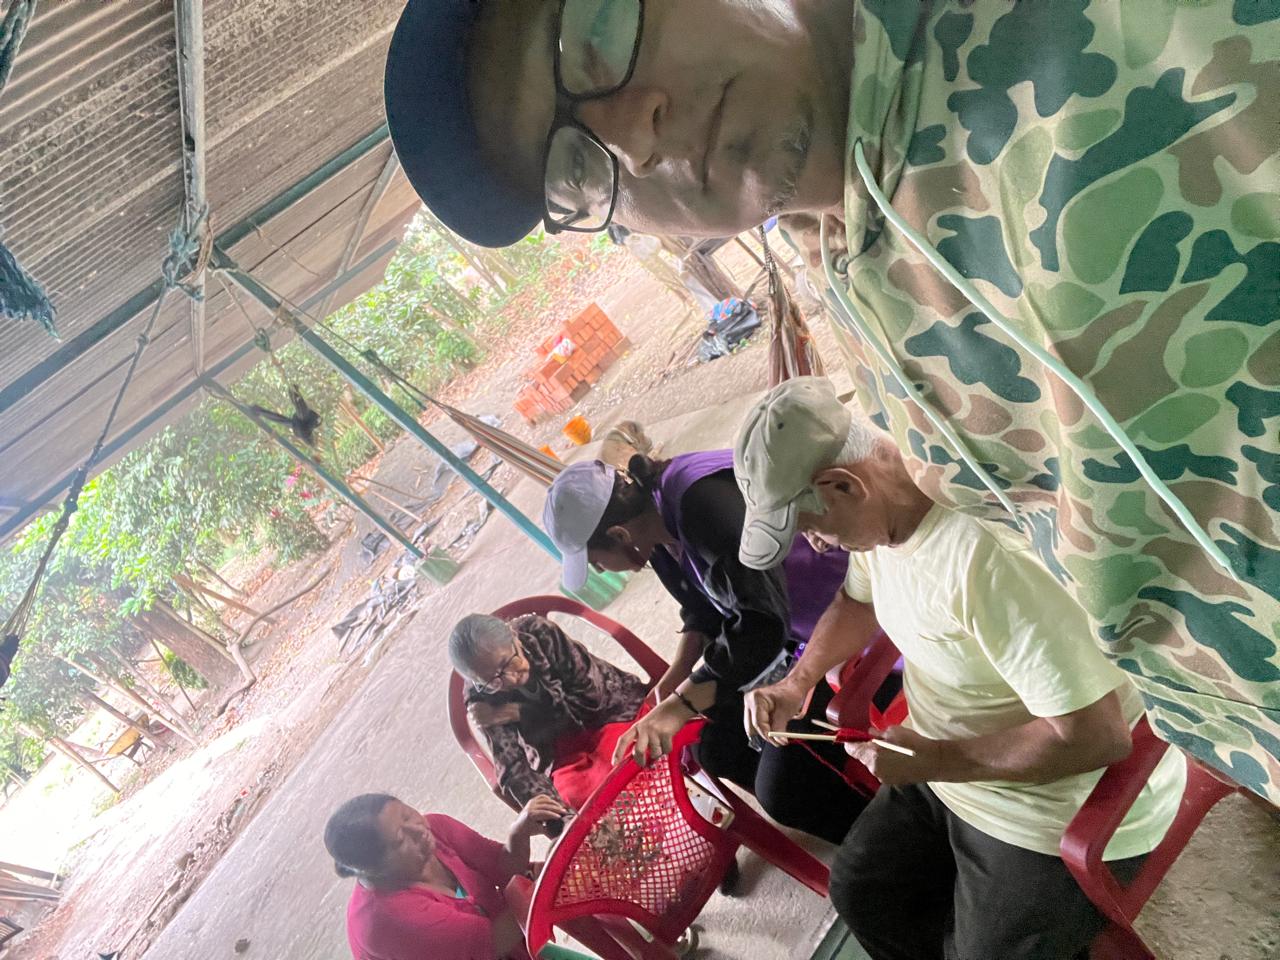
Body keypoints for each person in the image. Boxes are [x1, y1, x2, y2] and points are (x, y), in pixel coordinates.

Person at [382, 0, 1280, 802]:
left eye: (597, 30)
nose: (636, 138)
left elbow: (762, 618)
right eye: (576, 168)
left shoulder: (1055, 33)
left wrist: (718, 696)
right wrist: (758, 682)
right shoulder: (841, 267)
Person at [733, 377, 1185, 960]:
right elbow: (856, 602)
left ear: (842, 485)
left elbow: (1098, 736)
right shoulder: (884, 522)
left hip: (1053, 801)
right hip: (950, 770)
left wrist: (940, 760)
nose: (818, 545)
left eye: (812, 527)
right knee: (862, 892)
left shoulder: (986, 558)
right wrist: (798, 682)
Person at [542, 450, 867, 846]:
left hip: (849, 628)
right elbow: (702, 608)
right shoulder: (655, 526)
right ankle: (862, 811)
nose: (598, 570)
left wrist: (680, 704)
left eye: (595, 561)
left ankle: (898, 834)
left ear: (619, 535)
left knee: (783, 790)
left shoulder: (702, 507)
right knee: (715, 745)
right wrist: (676, 678)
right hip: (795, 636)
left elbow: (761, 625)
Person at [324, 792, 566, 960]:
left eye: (407, 814)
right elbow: (494, 941)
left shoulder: (436, 829)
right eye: (400, 839)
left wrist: (518, 834)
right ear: (378, 870)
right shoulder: (389, 920)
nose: (418, 829)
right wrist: (550, 876)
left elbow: (501, 868)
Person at [448, 611, 649, 812]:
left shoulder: (540, 634)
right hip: (560, 751)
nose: (509, 679)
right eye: (493, 680)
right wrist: (551, 813)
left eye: (507, 663)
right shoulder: (481, 696)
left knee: (635, 753)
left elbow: (592, 699)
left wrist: (522, 713)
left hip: (609, 714)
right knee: (580, 800)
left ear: (513, 636)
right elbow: (512, 767)